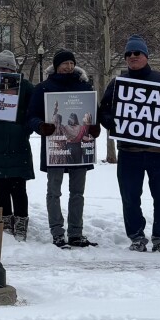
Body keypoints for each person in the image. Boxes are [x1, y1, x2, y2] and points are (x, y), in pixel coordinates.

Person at [98, 36, 160, 254]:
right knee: (130, 197)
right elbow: (104, 111)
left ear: (146, 55)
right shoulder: (117, 84)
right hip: (129, 152)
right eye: (128, 54)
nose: (132, 57)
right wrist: (112, 123)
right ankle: (137, 237)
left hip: (159, 152)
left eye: (137, 53)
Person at [34, 49, 98, 248]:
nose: (68, 66)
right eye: (64, 63)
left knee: (77, 192)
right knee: (54, 192)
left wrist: (94, 127)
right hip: (55, 149)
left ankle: (76, 233)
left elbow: (95, 113)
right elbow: (31, 116)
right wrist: (39, 126)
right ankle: (57, 232)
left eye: (71, 63)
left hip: (79, 150)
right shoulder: (44, 88)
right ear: (56, 66)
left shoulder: (84, 87)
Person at [0, 50, 36, 242]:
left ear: (13, 70)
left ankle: (20, 222)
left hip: (17, 142)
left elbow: (34, 112)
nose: (2, 71)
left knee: (18, 187)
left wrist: (24, 129)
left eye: (6, 68)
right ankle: (4, 222)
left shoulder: (26, 87)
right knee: (0, 186)